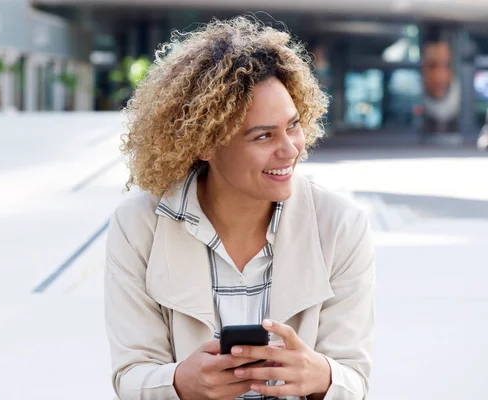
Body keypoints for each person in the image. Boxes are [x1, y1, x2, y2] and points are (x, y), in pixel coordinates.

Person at [104, 16, 375, 400]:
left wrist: (324, 377)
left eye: (293, 126)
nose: (290, 149)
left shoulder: (340, 225)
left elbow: (355, 378)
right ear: (204, 144)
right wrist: (180, 382)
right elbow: (130, 374)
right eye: (263, 135)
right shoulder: (139, 225)